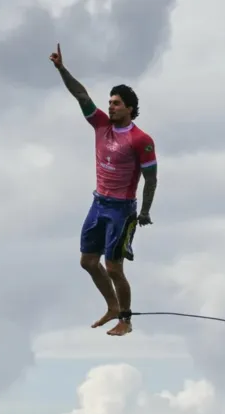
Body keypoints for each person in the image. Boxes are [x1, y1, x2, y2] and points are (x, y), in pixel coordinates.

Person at [49, 43, 158, 337]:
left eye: (116, 103)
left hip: (122, 210)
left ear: (130, 109)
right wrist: (61, 69)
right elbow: (81, 95)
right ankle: (111, 306)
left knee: (113, 267)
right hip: (98, 203)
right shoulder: (100, 125)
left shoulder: (141, 139)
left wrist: (145, 211)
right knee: (87, 261)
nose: (110, 106)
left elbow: (151, 178)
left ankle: (125, 318)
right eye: (110, 102)